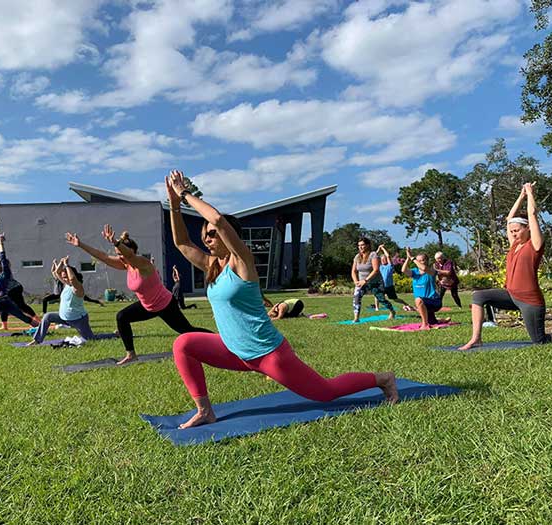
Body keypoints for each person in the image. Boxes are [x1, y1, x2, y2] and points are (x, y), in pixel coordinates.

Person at [165, 169, 398, 429]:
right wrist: (174, 206)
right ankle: (205, 411)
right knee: (183, 344)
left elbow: (218, 219)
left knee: (325, 392)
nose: (207, 238)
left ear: (229, 236)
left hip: (268, 354)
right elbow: (182, 242)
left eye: (212, 234)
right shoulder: (212, 266)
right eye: (205, 234)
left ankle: (382, 379)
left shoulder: (242, 262)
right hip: (233, 350)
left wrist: (185, 194)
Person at [65, 226, 212, 365]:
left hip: (165, 305)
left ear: (133, 251)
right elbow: (103, 256)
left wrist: (115, 242)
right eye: (118, 254)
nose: (120, 257)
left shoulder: (143, 263)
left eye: (122, 254)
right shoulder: (125, 264)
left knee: (186, 330)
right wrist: (80, 244)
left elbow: (129, 255)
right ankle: (131, 354)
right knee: (122, 316)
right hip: (147, 306)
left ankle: (217, 340)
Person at [459, 183, 552, 349]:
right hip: (510, 295)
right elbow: (509, 218)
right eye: (512, 231)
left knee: (539, 340)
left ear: (528, 228)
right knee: (478, 296)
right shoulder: (514, 245)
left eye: (517, 230)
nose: (514, 233)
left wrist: (530, 193)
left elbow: (532, 214)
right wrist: (521, 196)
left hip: (530, 300)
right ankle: (476, 338)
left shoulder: (535, 245)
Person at [27, 256, 95, 346]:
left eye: (66, 277)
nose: (65, 279)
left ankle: (115, 335)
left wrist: (67, 265)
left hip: (78, 320)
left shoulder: (78, 288)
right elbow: (56, 272)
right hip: (64, 318)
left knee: (91, 339)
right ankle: (37, 340)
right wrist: (62, 263)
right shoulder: (67, 285)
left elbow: (72, 279)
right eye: (64, 277)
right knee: (47, 316)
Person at [351, 238, 395, 323]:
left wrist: (366, 280)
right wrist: (355, 281)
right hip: (361, 282)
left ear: (367, 245)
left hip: (375, 282)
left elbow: (376, 270)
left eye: (362, 245)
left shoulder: (373, 255)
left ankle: (392, 311)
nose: (360, 247)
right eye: (359, 245)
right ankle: (356, 318)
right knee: (356, 297)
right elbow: (353, 271)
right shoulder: (357, 257)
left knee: (381, 299)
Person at [401, 248, 445, 330]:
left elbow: (424, 268)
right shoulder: (415, 272)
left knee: (418, 300)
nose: (420, 262)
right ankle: (437, 320)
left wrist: (413, 258)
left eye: (422, 260)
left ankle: (424, 325)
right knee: (432, 322)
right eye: (418, 260)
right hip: (424, 304)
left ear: (427, 261)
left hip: (434, 301)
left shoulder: (431, 270)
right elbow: (403, 270)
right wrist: (408, 258)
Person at [373, 244, 411, 311]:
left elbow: (387, 256)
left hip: (389, 286)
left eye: (384, 259)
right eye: (381, 259)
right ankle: (377, 308)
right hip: (381, 285)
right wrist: (379, 249)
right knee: (377, 295)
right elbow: (374, 257)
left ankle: (405, 304)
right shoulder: (379, 266)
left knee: (395, 299)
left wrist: (383, 248)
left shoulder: (390, 266)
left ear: (386, 260)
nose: (383, 260)